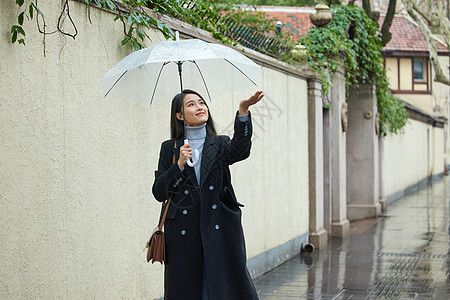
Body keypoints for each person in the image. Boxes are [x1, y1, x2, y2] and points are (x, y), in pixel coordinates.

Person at [152, 89, 264, 300]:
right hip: (184, 232)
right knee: (187, 288)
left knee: (222, 285)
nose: (200, 107)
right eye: (191, 104)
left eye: (201, 102)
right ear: (179, 115)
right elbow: (159, 192)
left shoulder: (219, 143)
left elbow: (241, 150)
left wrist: (243, 111)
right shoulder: (170, 148)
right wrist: (178, 165)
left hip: (219, 226)